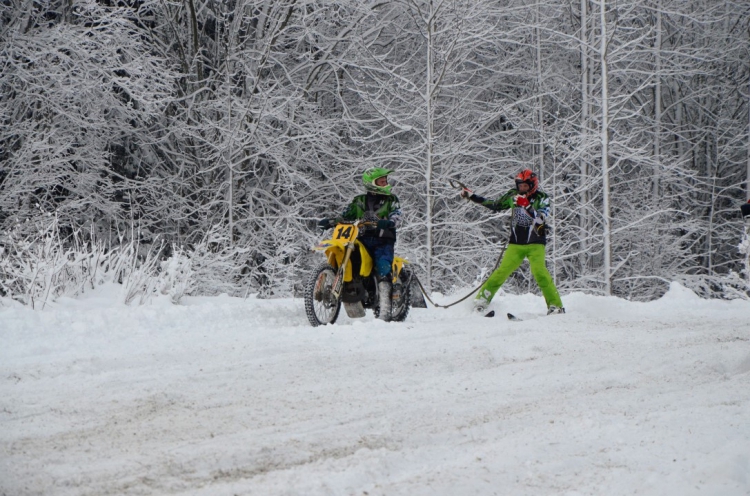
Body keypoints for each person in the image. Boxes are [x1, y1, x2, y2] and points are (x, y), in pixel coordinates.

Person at [460, 169, 565, 315]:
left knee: (540, 272)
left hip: (536, 242)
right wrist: (472, 196)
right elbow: (495, 205)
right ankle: (481, 302)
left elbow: (541, 219)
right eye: (519, 185)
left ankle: (556, 306)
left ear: (532, 185)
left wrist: (527, 206)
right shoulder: (513, 195)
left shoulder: (542, 197)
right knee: (501, 272)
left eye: (525, 186)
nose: (522, 189)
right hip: (516, 243)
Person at [318, 167, 403, 321]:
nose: (385, 183)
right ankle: (352, 289)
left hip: (383, 240)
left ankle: (385, 310)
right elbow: (345, 215)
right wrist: (332, 221)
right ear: (371, 183)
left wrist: (390, 221)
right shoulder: (359, 201)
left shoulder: (392, 200)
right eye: (381, 181)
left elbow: (397, 214)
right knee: (350, 258)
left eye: (385, 181)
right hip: (361, 239)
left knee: (382, 266)